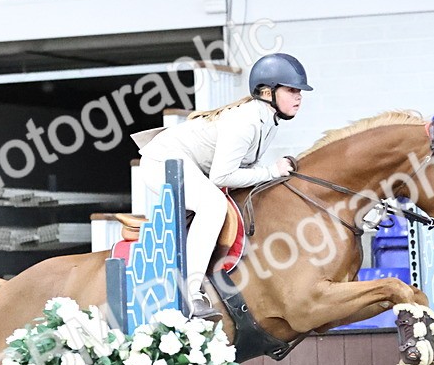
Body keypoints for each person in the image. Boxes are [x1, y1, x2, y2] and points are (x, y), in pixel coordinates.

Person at [133, 53, 312, 320]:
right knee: (213, 205)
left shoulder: (268, 121)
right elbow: (222, 176)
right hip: (162, 161)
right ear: (267, 92)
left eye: (299, 91)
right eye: (292, 90)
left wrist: (268, 175)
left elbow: (244, 172)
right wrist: (271, 172)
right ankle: (191, 294)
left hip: (188, 164)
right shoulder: (246, 120)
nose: (299, 97)